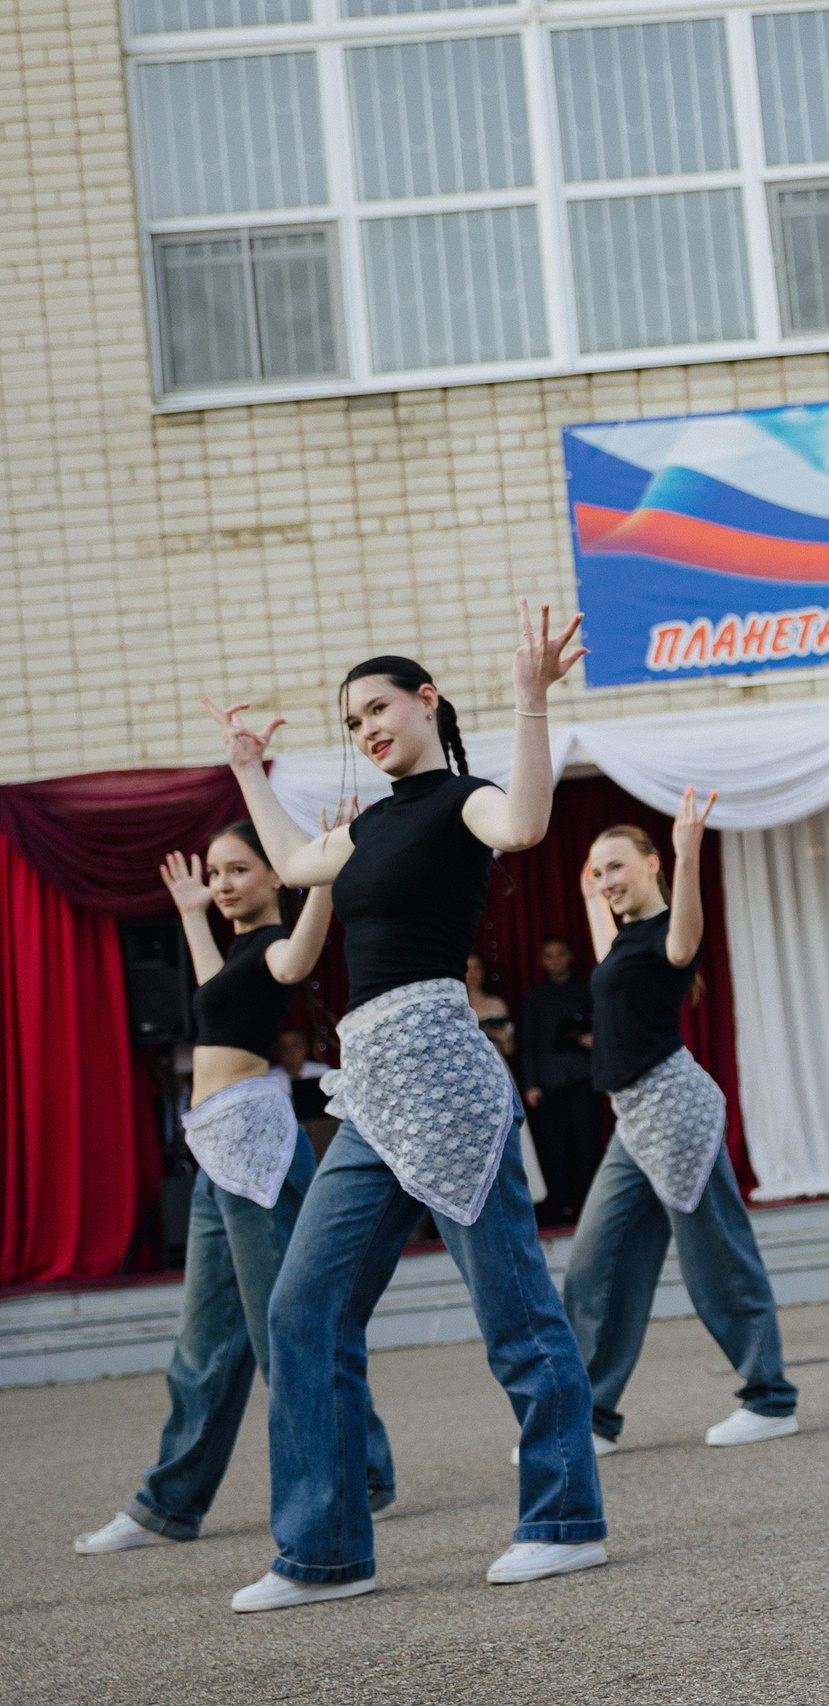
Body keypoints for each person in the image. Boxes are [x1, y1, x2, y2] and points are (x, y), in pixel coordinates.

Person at [208, 605, 609, 1611]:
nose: (367, 729)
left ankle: (564, 1522)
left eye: (377, 709)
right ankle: (324, 1553)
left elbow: (525, 825)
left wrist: (529, 701)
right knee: (302, 1308)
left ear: (426, 701)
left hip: (445, 1082)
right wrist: (250, 770)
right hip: (371, 1095)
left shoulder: (464, 801)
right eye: (352, 722)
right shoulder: (368, 826)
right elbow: (294, 863)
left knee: (515, 1311)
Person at [74, 820, 397, 1555]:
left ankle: (363, 1475)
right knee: (204, 1344)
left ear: (275, 876)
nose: (223, 883)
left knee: (287, 1332)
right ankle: (169, 1505)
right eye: (215, 872)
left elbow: (298, 960)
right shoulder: (237, 952)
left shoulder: (278, 943)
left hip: (257, 1152)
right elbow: (214, 989)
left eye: (238, 870)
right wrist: (193, 913)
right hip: (214, 1152)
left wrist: (321, 878)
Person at [558, 793, 799, 1457]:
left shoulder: (670, 933)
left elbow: (684, 938)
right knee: (595, 1267)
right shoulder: (624, 942)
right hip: (632, 1122)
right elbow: (608, 958)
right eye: (598, 870)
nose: (607, 879)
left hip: (677, 1112)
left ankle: (770, 1399)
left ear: (651, 864)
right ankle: (591, 1416)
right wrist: (591, 897)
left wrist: (688, 852)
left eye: (617, 866)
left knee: (717, 1262)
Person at [522, 936, 600, 1224]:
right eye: (549, 955)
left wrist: (594, 1040)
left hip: (583, 1076)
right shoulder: (536, 996)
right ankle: (563, 1208)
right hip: (549, 1081)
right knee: (556, 1147)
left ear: (570, 956)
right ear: (542, 961)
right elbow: (528, 1041)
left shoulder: (586, 989)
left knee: (587, 1143)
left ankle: (594, 1206)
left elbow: (603, 1025)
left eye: (560, 954)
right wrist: (531, 1084)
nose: (555, 961)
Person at [464, 952, 515, 1058]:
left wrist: (506, 1039)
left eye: (477, 968)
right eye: (468, 969)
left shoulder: (496, 1004)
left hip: (494, 1062)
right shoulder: (455, 1006)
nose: (472, 974)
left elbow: (509, 1050)